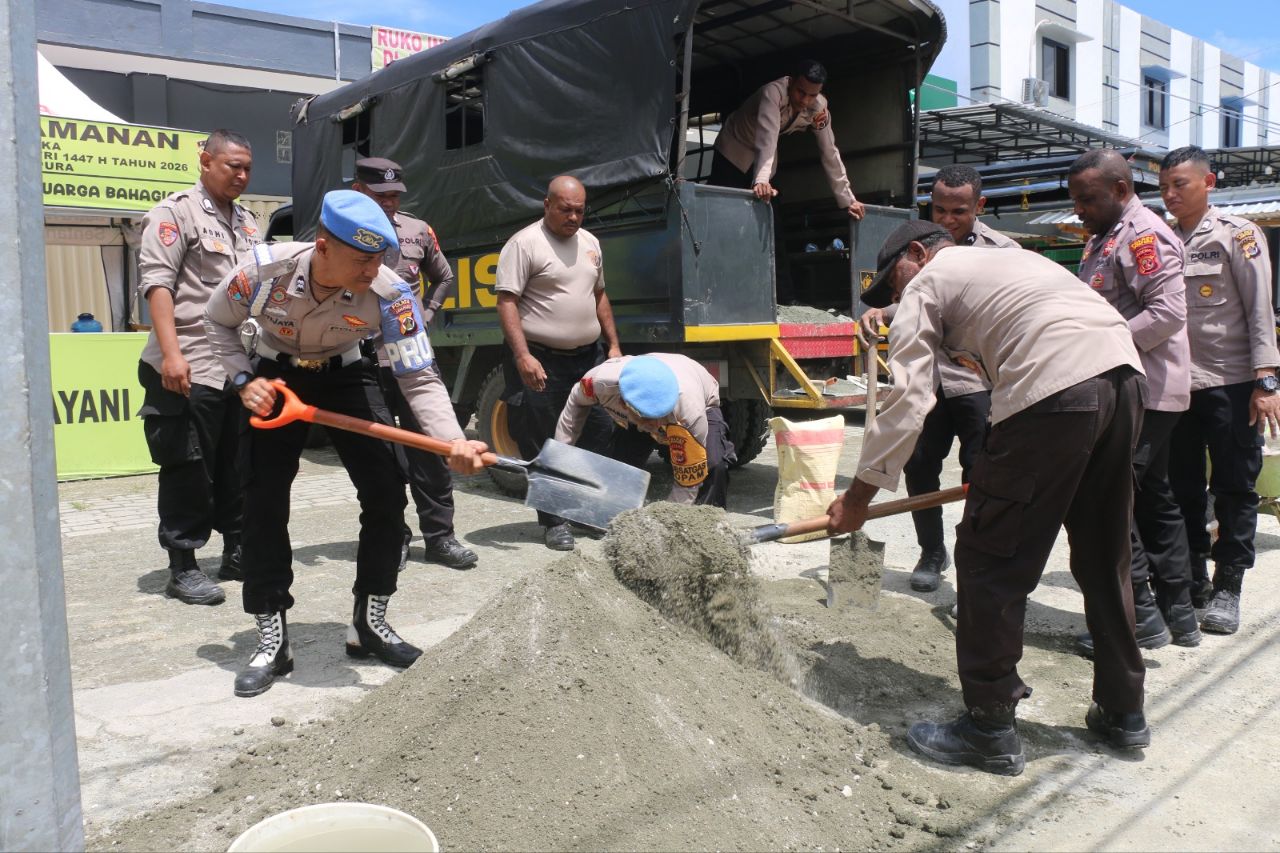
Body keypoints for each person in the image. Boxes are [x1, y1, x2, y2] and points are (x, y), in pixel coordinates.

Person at [829, 220, 1149, 776]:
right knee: (1104, 552)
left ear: (917, 253)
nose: (898, 296)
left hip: (1057, 389)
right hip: (1123, 378)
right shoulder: (1013, 261)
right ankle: (1123, 711)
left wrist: (858, 496)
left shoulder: (929, 282)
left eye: (895, 282)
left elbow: (907, 400)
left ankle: (988, 728)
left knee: (988, 557)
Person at [203, 190, 486, 697]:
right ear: (324, 246)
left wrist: (451, 442)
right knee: (263, 500)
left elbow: (419, 375)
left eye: (380, 258)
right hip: (274, 375)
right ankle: (272, 638)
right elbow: (217, 322)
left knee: (385, 489)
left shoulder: (392, 293)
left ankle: (369, 624)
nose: (373, 269)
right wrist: (244, 380)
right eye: (363, 259)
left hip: (347, 374)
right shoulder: (262, 272)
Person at [857, 165, 1018, 593]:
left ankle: (975, 560)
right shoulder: (918, 246)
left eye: (958, 211)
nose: (946, 219)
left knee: (979, 473)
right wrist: (883, 310)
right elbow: (919, 300)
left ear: (979, 207)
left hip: (979, 384)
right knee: (920, 464)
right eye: (939, 209)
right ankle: (932, 551)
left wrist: (860, 491)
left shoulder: (1002, 251)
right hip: (931, 376)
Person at [1068, 148, 1198, 652]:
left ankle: (1139, 615)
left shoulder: (1143, 235)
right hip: (1138, 389)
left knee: (1110, 503)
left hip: (1145, 391)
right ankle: (1179, 616)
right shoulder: (1105, 235)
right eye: (1075, 199)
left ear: (1121, 191)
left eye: (1087, 199)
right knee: (1155, 500)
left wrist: (1104, 346)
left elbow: (1166, 314)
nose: (1078, 208)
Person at [1159, 145, 1280, 635]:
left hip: (1230, 384)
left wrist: (1267, 382)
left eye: (1179, 185)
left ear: (1208, 183)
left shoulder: (1239, 235)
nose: (1169, 195)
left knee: (1233, 488)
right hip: (1174, 385)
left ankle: (1228, 585)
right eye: (1164, 186)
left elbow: (1259, 311)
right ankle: (1191, 581)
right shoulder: (1159, 237)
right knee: (1180, 487)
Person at [136, 129, 259, 606]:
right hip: (186, 362)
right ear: (205, 161)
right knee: (188, 467)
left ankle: (235, 551)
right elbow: (158, 285)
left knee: (236, 463)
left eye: (248, 168)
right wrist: (171, 354)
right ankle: (183, 566)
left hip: (234, 364)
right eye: (233, 166)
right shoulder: (175, 214)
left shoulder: (248, 223)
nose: (242, 176)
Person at [351, 157, 477, 571]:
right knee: (382, 458)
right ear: (359, 191)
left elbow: (443, 276)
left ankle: (440, 537)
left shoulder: (417, 230)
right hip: (365, 361)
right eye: (380, 195)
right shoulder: (341, 231)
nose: (389, 203)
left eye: (394, 196)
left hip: (413, 358)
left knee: (432, 452)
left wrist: (428, 311)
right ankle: (394, 536)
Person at [495, 175, 621, 551]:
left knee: (600, 429)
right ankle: (554, 521)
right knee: (546, 440)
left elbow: (599, 295)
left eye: (580, 210)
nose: (573, 217)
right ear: (546, 204)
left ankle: (589, 511)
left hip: (588, 358)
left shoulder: (591, 243)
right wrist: (523, 356)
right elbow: (506, 302)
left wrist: (613, 345)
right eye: (565, 209)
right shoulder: (524, 243)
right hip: (541, 360)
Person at [555, 353, 735, 506]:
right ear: (623, 403)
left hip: (696, 398)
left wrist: (668, 519)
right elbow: (576, 402)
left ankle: (707, 526)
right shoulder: (600, 383)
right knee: (621, 469)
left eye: (659, 419)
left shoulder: (690, 411)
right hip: (636, 413)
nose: (657, 426)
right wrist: (560, 455)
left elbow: (689, 482)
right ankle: (615, 515)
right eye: (649, 419)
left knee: (713, 464)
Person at [710, 59, 865, 220]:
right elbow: (768, 137)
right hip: (734, 146)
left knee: (770, 212)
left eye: (812, 95)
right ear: (790, 82)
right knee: (723, 205)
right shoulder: (772, 93)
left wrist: (849, 200)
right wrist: (762, 181)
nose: (805, 100)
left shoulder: (819, 108)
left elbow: (829, 151)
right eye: (801, 92)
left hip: (766, 156)